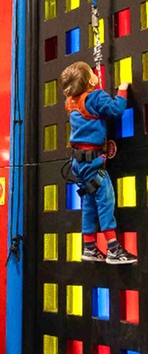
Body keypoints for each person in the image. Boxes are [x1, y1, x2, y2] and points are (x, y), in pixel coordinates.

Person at [60, 61, 137, 265]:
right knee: (105, 200)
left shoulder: (70, 102)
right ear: (90, 81)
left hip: (78, 163)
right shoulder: (95, 97)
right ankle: (113, 248)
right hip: (93, 162)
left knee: (89, 203)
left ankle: (89, 246)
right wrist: (122, 90)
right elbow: (116, 109)